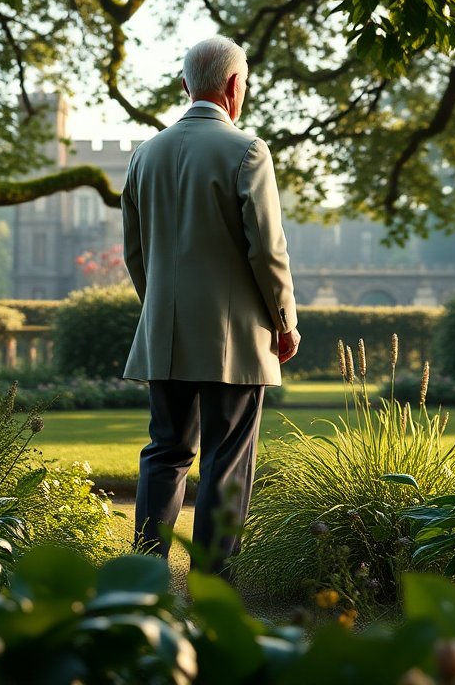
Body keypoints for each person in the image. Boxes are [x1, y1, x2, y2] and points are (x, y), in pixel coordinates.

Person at [121, 35, 300, 574]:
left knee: (165, 450)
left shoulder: (143, 154)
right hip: (236, 338)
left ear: (184, 86)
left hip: (164, 335)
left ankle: (144, 572)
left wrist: (158, 310)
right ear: (233, 85)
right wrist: (284, 321)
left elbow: (134, 253)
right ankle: (213, 580)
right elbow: (267, 249)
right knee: (227, 458)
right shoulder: (247, 151)